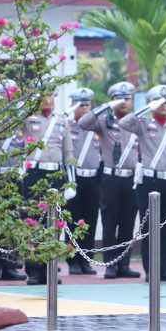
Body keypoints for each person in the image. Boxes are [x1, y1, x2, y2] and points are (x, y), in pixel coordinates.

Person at [119, 85, 166, 282]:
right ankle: (151, 270)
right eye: (160, 102)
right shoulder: (143, 124)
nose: (164, 106)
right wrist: (148, 108)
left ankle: (165, 268)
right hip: (149, 181)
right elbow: (124, 122)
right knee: (150, 226)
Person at [79, 82, 141, 279]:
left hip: (131, 178)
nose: (124, 102)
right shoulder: (104, 121)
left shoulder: (137, 121)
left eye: (127, 98)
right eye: (120, 98)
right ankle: (110, 265)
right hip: (110, 178)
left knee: (128, 223)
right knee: (109, 222)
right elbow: (83, 123)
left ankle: (124, 264)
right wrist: (106, 107)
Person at [23, 95, 75, 285]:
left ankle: (50, 269)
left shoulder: (61, 121)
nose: (47, 102)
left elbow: (68, 152)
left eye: (50, 97)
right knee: (33, 222)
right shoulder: (29, 119)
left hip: (55, 175)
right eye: (43, 98)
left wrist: (71, 182)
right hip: (34, 174)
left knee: (53, 224)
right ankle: (34, 271)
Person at [0, 80, 26, 282]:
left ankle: (10, 264)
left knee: (13, 220)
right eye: (8, 93)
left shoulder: (21, 116)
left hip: (14, 173)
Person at [64, 88, 101, 276]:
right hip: (74, 178)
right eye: (81, 104)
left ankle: (87, 259)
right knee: (73, 221)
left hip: (93, 178)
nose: (85, 108)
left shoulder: (97, 126)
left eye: (88, 104)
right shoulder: (68, 125)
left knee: (90, 221)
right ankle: (73, 261)